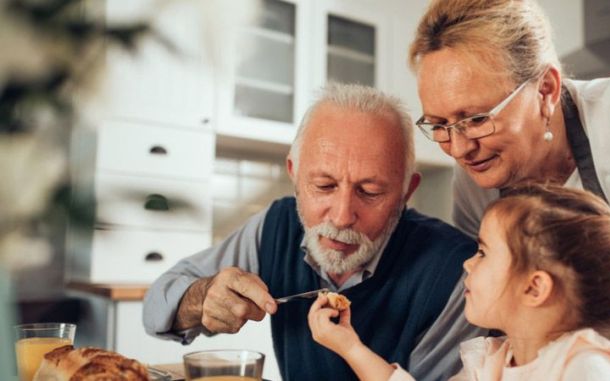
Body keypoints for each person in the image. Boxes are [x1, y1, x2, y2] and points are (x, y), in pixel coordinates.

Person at [142, 83, 483, 381]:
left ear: (407, 191)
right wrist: (201, 297)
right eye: (324, 185)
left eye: (370, 192)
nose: (341, 216)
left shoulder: (456, 274)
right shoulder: (275, 227)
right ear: (294, 173)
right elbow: (156, 306)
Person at [308, 184, 610, 381]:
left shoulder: (585, 370)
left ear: (534, 288)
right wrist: (350, 346)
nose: (468, 263)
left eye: (483, 252)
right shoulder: (494, 362)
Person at [407, 0, 610, 238]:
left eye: (477, 120)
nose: (459, 149)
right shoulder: (475, 183)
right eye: (440, 125)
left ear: (546, 90)